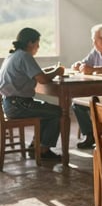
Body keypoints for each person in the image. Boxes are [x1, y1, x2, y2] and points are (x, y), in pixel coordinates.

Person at [0, 28, 65, 160]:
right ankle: (43, 150)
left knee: (46, 110)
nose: (38, 46)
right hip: (19, 105)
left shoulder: (13, 56)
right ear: (30, 43)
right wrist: (57, 71)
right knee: (58, 112)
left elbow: (36, 73)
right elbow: (43, 79)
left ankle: (35, 147)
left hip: (10, 104)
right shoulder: (25, 56)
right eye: (37, 43)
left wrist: (51, 70)